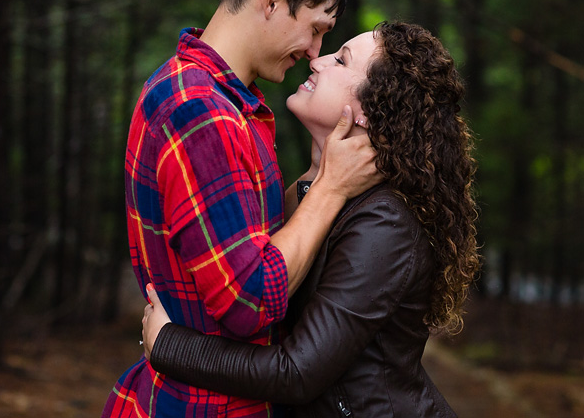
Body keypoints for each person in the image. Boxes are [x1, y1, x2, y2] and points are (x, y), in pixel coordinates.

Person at [102, 0, 381, 418]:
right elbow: (249, 300)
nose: (314, 53)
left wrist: (322, 173)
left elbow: (252, 240)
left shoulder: (207, 95)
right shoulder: (201, 112)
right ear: (273, 1)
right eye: (316, 29)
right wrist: (332, 189)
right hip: (202, 406)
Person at [142, 22, 481, 418]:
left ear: (369, 112)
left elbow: (298, 372)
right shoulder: (319, 195)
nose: (317, 61)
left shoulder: (385, 223)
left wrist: (169, 345)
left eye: (340, 60)